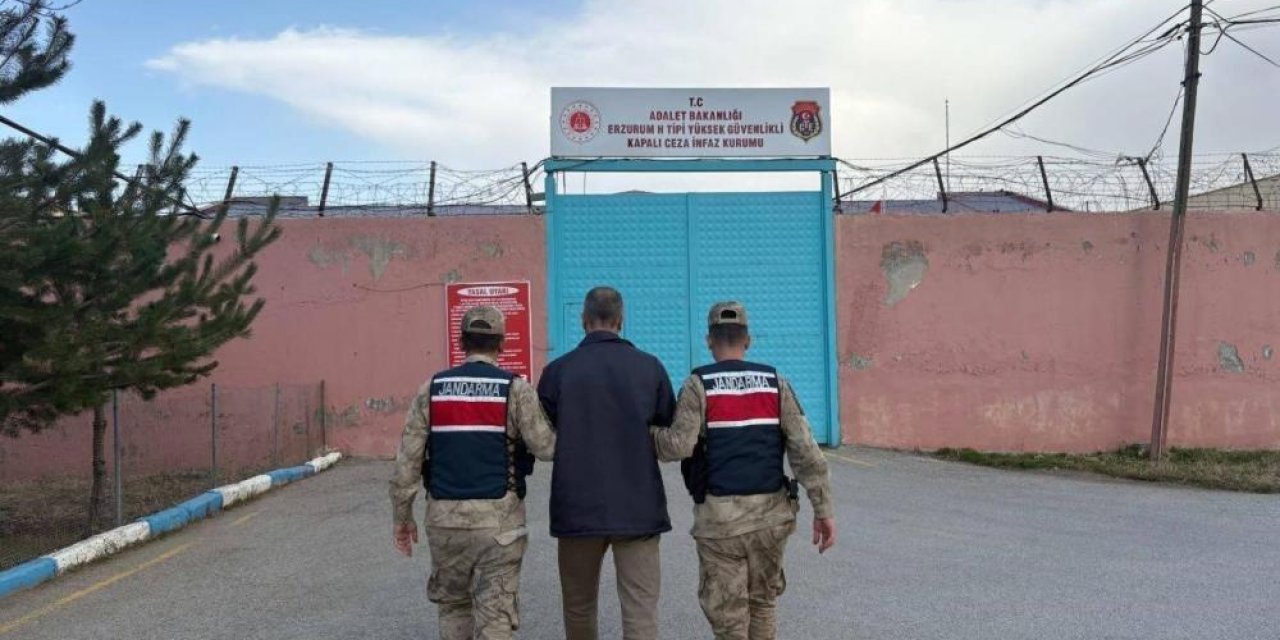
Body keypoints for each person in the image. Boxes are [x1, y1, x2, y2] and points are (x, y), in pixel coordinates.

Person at [653, 301, 837, 640]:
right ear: (748, 340)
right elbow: (806, 452)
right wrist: (823, 510)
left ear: (709, 340)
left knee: (729, 619)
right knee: (763, 603)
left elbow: (677, 447)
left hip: (720, 522)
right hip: (771, 517)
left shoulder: (698, 385)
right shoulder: (774, 382)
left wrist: (647, 433)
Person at [389, 305, 556, 640]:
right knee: (494, 614)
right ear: (502, 343)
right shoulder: (516, 390)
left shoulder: (431, 389)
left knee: (453, 607)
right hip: (499, 525)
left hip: (444, 521)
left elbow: (406, 462)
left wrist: (402, 518)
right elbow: (547, 447)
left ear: (462, 342)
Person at [537, 286, 677, 640]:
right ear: (621, 320)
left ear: (584, 321)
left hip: (577, 509)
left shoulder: (557, 372)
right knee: (640, 610)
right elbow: (667, 424)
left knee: (579, 607)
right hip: (638, 508)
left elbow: (542, 430)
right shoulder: (650, 367)